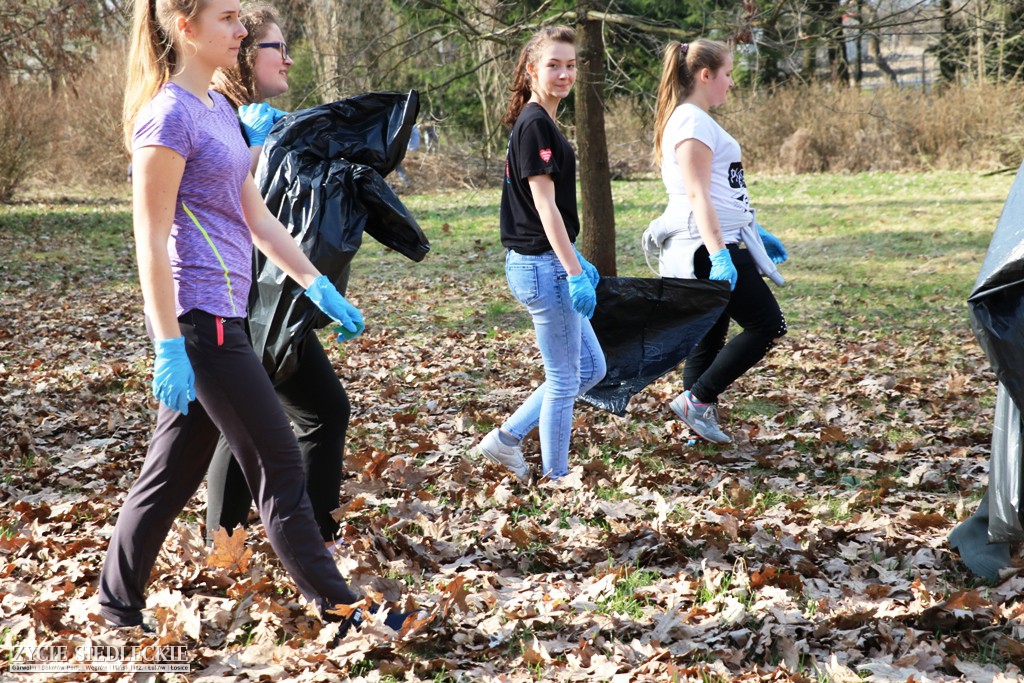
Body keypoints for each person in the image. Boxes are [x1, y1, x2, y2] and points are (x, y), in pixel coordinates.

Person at [99, 0, 405, 632]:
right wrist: (167, 346)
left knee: (169, 476)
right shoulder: (166, 118)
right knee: (278, 464)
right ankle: (342, 609)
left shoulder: (220, 110)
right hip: (199, 325)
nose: (242, 30)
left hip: (228, 316)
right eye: (229, 18)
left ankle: (114, 605)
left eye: (241, 19)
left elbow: (257, 217)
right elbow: (150, 242)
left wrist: (317, 285)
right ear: (185, 28)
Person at [205, 3, 353, 551]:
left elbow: (272, 213)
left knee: (321, 412)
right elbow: (216, 204)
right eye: (278, 48)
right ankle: (223, 552)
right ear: (245, 54)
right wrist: (248, 146)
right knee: (234, 430)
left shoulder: (254, 120)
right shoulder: (214, 112)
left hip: (267, 296)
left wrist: (317, 282)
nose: (289, 60)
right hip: (224, 296)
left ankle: (314, 540)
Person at [474, 26, 606, 482]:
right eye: (553, 65)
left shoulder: (542, 121)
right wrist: (573, 270)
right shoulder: (534, 124)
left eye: (570, 65)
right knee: (567, 378)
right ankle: (557, 477)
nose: (564, 73)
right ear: (532, 70)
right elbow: (544, 205)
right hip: (541, 266)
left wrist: (575, 260)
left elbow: (544, 209)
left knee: (591, 367)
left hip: (546, 262)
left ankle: (507, 439)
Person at [649, 39, 787, 445]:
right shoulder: (691, 122)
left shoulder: (694, 119)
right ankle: (698, 401)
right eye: (727, 74)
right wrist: (721, 254)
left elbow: (720, 189)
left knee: (710, 334)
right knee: (767, 324)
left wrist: (753, 229)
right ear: (705, 75)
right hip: (708, 246)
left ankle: (695, 426)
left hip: (715, 240)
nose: (731, 83)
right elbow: (697, 195)